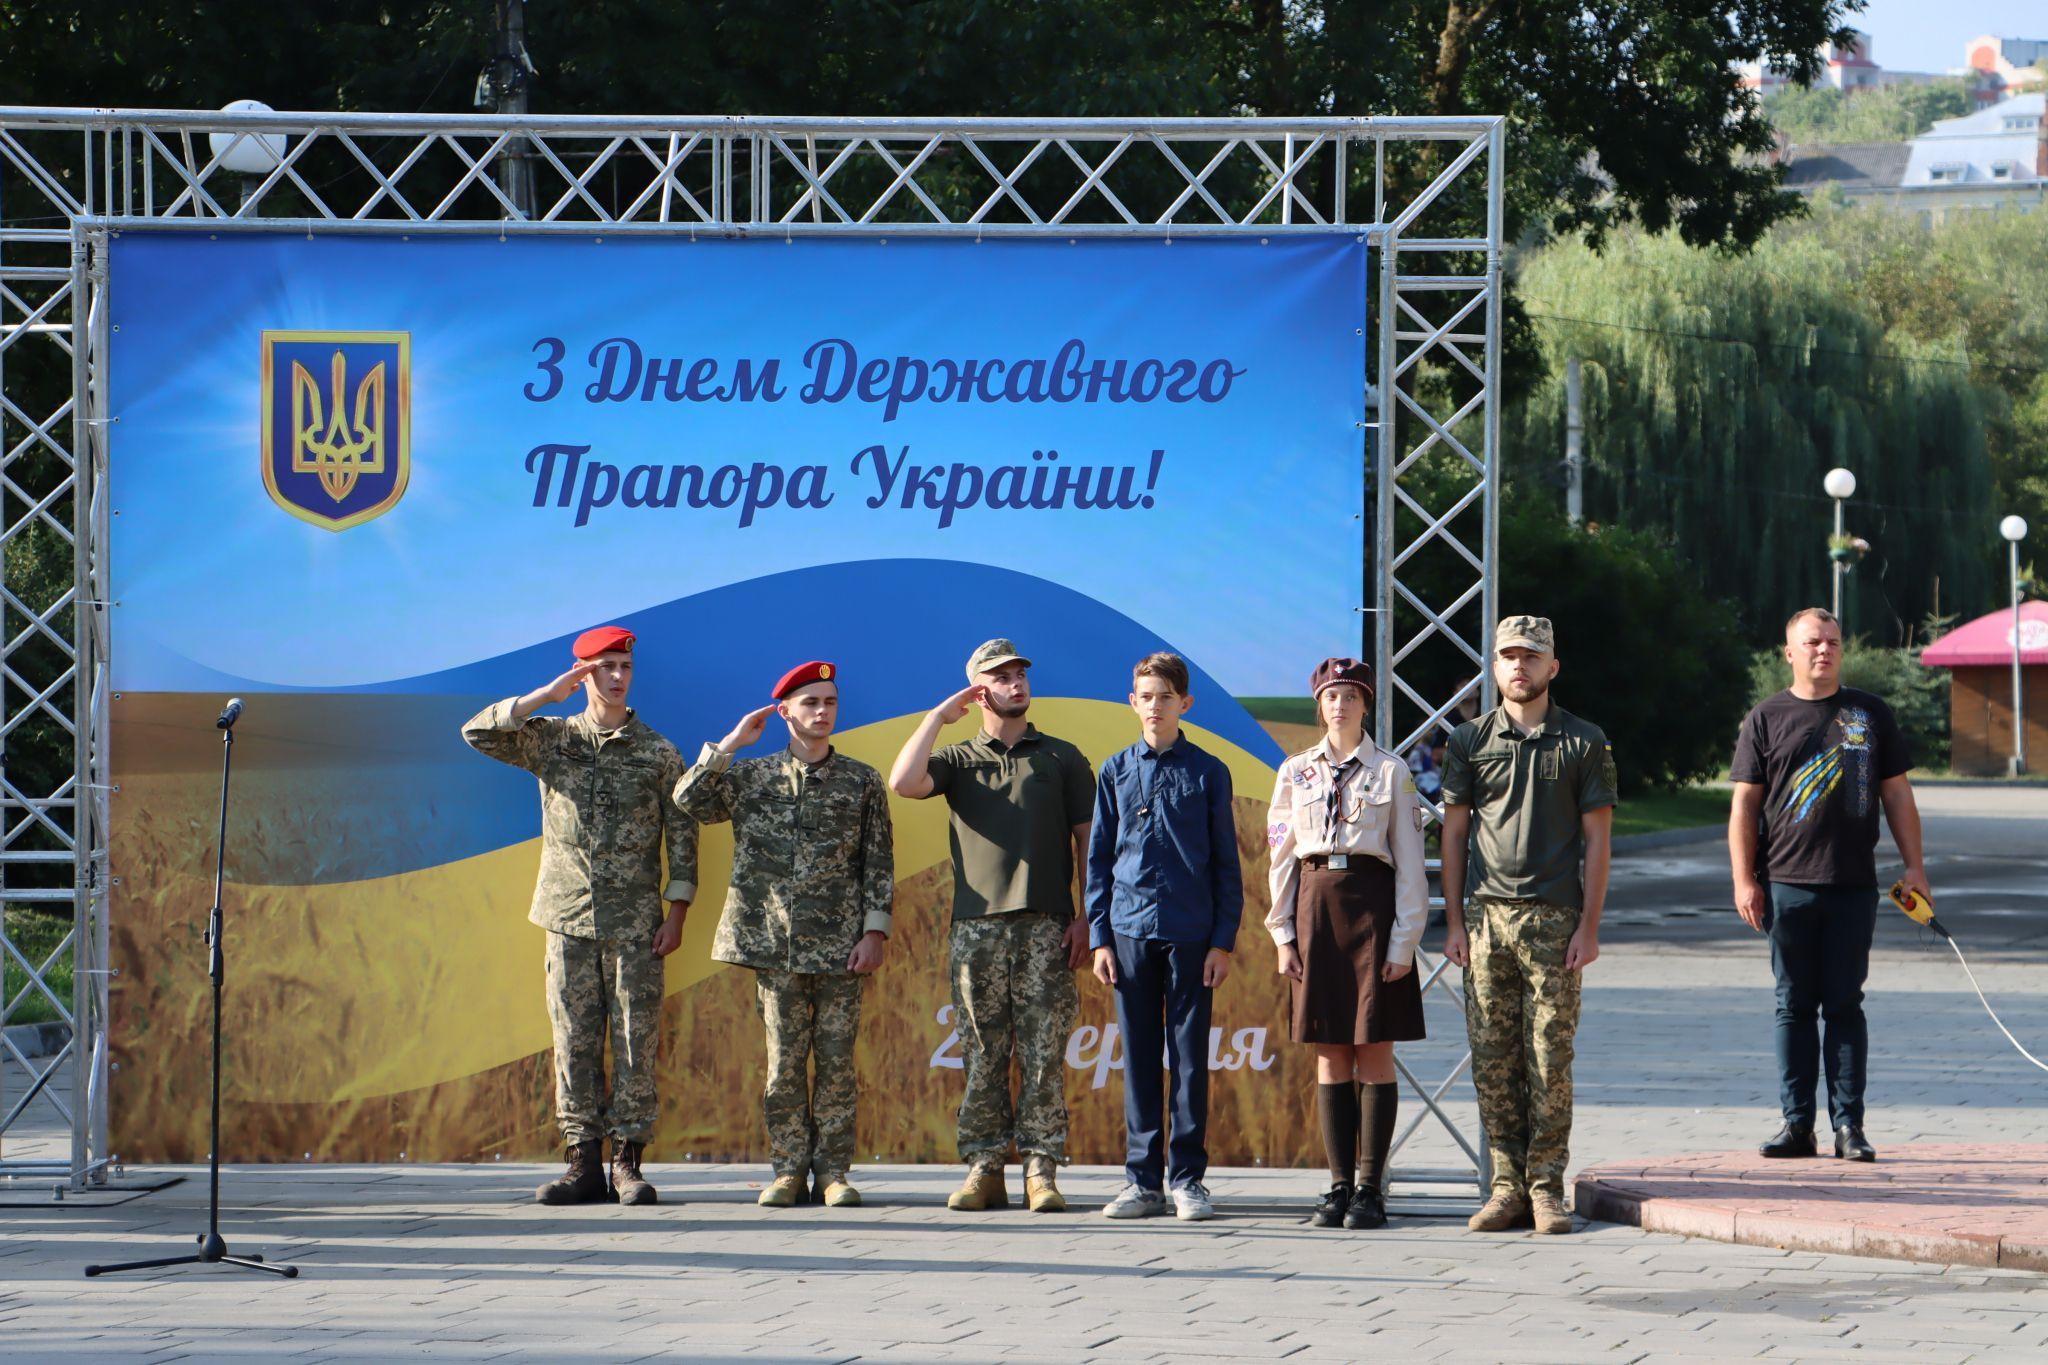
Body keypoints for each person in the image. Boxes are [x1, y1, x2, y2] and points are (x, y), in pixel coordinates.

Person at [460, 625, 694, 1206]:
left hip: (636, 925)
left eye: (624, 667)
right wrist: (546, 696)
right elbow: (478, 733)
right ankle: (582, 1162)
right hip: (566, 918)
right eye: (604, 667)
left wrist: (677, 913)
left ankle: (627, 1164)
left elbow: (683, 838)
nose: (617, 677)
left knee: (636, 1041)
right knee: (573, 1041)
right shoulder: (552, 739)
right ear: (583, 673)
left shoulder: (658, 752)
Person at [675, 661, 895, 1208]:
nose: (822, 712)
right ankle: (789, 1170)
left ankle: (834, 1173)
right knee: (783, 1066)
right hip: (775, 944)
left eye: (830, 702)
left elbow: (878, 861)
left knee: (837, 1066)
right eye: (810, 703)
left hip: (842, 947)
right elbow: (689, 801)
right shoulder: (752, 777)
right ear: (785, 712)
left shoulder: (861, 780)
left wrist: (875, 932)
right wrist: (731, 744)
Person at [889, 638, 1094, 1213]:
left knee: (1044, 1055)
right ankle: (984, 1167)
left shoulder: (1061, 757)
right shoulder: (957, 759)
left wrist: (1087, 919)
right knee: (983, 1053)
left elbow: (1088, 843)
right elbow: (903, 782)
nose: (1016, 683)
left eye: (1020, 674)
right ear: (979, 691)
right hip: (976, 931)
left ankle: (1040, 1171)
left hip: (1048, 926)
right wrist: (937, 718)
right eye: (1001, 677)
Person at [1729, 607, 1926, 1164]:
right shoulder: (1766, 717)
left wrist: (1915, 867)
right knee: (1792, 1005)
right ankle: (1797, 1126)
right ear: (1789, 652)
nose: (1824, 650)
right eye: (1813, 642)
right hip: (1786, 885)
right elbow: (1744, 806)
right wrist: (1744, 879)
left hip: (1852, 884)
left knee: (1844, 1005)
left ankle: (1848, 1128)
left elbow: (1897, 795)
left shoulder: (1869, 713)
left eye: (1833, 642)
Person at [1441, 616, 1614, 1236]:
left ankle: (1546, 1188)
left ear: (1552, 667)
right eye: (1509, 656)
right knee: (1492, 1057)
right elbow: (1454, 835)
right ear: (1494, 667)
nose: (1520, 666)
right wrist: (1453, 921)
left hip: (1554, 921)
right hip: (1486, 918)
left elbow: (1598, 842)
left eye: (1531, 656)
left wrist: (1589, 927)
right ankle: (1506, 1187)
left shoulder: (1584, 741)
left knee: (1549, 1057)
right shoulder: (1469, 740)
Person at [1265, 657, 1427, 1232]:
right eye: (1331, 696)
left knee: (1374, 1049)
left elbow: (1410, 864)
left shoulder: (1391, 771)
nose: (1341, 705)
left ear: (1366, 705)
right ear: (1319, 705)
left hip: (1372, 910)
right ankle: (1337, 1186)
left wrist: (1403, 943)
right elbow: (1281, 859)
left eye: (1351, 696)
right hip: (1316, 910)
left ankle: (1370, 1188)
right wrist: (1283, 934)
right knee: (1331, 1051)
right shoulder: (1295, 771)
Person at [1086, 652, 1243, 1222]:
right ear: (1133, 702)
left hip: (1191, 933)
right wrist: (1100, 937)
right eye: (1146, 696)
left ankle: (1188, 1179)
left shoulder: (1208, 772)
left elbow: (1226, 863)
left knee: (1190, 1059)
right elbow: (1099, 859)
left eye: (1166, 697)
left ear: (1185, 704)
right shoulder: (1114, 771)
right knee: (1139, 1059)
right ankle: (1142, 1181)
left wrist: (1222, 941)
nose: (1155, 706)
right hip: (1129, 930)